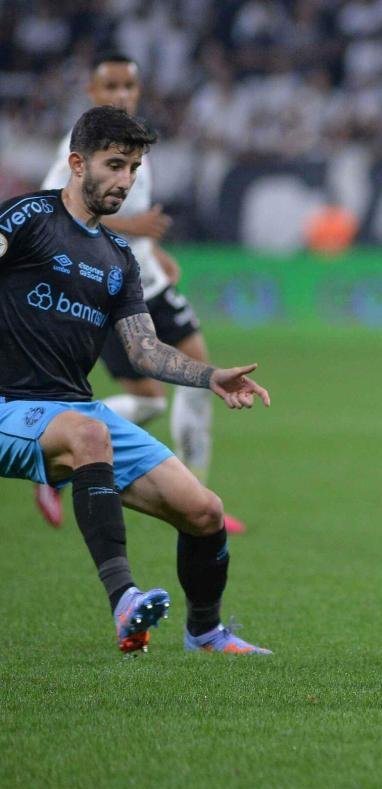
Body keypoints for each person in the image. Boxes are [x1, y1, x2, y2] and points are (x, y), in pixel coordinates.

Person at [0, 105, 269, 656]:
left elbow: (144, 350)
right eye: (115, 165)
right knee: (87, 436)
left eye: (134, 170)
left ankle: (206, 632)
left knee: (204, 512)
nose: (125, 180)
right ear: (77, 163)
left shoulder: (118, 257)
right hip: (10, 404)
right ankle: (125, 602)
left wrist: (209, 375)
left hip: (72, 409)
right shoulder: (26, 218)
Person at [34, 52, 246, 534]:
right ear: (92, 93)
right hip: (109, 290)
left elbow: (126, 215)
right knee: (150, 398)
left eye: (129, 85)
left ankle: (199, 495)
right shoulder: (78, 149)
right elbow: (61, 210)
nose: (122, 95)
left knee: (204, 379)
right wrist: (137, 227)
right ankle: (54, 444)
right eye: (110, 87)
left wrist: (152, 246)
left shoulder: (134, 142)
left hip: (149, 281)